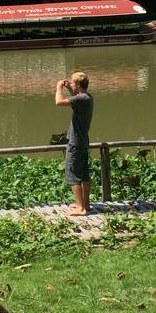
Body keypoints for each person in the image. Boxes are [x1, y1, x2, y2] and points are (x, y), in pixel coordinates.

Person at [55, 71, 93, 216]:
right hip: (83, 141)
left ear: (78, 84)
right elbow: (76, 97)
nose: (70, 83)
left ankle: (80, 207)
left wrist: (59, 88)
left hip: (75, 143)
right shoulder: (87, 97)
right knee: (83, 174)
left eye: (72, 82)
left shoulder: (81, 99)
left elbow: (59, 102)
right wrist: (70, 89)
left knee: (72, 174)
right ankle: (85, 204)